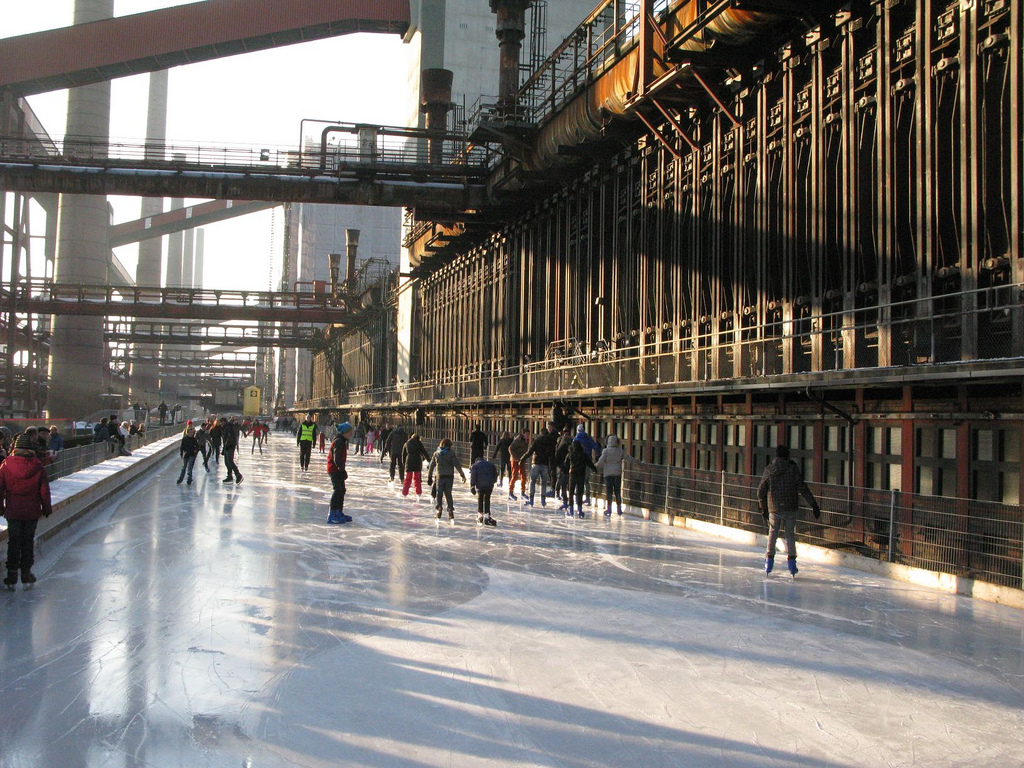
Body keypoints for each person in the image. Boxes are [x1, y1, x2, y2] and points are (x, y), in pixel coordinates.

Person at [757, 444, 821, 576]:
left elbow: (761, 491)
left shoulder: (769, 469)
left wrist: (763, 508)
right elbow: (803, 488)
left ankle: (769, 562)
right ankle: (792, 564)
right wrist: (813, 504)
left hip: (774, 508)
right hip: (790, 507)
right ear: (787, 455)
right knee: (790, 534)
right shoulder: (792, 468)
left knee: (773, 533)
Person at [1, 433, 53, 590]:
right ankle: (26, 573)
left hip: (13, 510)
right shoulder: (37, 466)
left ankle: (11, 574)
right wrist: (46, 508)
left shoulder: (6, 464)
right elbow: (44, 490)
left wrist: (1, 507)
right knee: (27, 541)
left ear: (15, 448)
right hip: (31, 510)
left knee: (14, 541)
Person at [594, 434, 640, 516]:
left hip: (608, 474)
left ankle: (609, 509)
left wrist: (594, 467)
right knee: (617, 491)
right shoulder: (620, 451)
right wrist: (637, 461)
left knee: (609, 492)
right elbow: (628, 458)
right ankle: (619, 509)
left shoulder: (605, 451)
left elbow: (601, 462)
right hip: (617, 474)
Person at [427, 438, 466, 522]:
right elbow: (457, 465)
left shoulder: (436, 453)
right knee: (448, 494)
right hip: (449, 476)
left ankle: (439, 509)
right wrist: (462, 475)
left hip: (439, 476)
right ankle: (450, 510)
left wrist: (429, 476)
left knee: (439, 493)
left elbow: (431, 466)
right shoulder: (451, 454)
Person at [522, 422, 558, 507]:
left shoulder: (537, 440)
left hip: (536, 463)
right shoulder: (550, 441)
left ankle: (531, 500)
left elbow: (530, 451)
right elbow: (551, 453)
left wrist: (522, 459)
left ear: (541, 433)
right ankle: (543, 500)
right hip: (545, 464)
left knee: (532, 482)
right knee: (544, 482)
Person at [326, 422, 353, 524]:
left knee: (342, 490)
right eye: (349, 432)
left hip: (337, 469)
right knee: (337, 490)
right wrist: (341, 470)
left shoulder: (342, 441)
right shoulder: (339, 442)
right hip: (334, 470)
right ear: (344, 432)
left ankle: (338, 512)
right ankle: (332, 513)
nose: (351, 433)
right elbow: (336, 458)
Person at [564, 440, 596, 518]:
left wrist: (564, 471)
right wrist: (594, 469)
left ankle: (571, 508)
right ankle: (579, 509)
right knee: (580, 492)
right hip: (581, 474)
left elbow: (565, 464)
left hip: (572, 474)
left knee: (571, 491)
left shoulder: (570, 454)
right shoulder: (584, 455)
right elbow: (589, 463)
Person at [572, 424, 600, 504]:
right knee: (586, 481)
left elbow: (572, 450)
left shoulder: (576, 439)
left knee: (577, 480)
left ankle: (577, 497)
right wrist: (598, 455)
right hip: (587, 460)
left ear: (577, 430)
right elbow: (596, 447)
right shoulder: (589, 438)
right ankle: (587, 497)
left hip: (577, 462)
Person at [470, 454, 498, 526]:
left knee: (480, 499)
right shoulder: (491, 464)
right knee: (487, 499)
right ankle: (487, 516)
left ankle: (480, 515)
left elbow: (473, 476)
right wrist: (493, 482)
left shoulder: (475, 465)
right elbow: (495, 474)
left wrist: (472, 486)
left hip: (480, 485)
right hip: (489, 485)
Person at [401, 432, 431, 498]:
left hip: (409, 461)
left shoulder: (407, 443)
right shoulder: (419, 443)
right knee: (417, 478)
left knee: (408, 478)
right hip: (417, 461)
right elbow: (424, 452)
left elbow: (403, 454)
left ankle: (404, 492)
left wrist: (404, 463)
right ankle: (418, 492)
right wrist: (429, 460)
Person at [507, 429, 531, 501]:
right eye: (526, 434)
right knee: (514, 476)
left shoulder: (526, 440)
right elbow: (510, 448)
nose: (527, 436)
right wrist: (515, 457)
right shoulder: (518, 440)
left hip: (521, 460)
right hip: (515, 460)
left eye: (528, 435)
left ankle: (523, 492)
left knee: (523, 476)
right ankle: (510, 492)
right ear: (523, 434)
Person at [221, 418, 243, 484]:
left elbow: (230, 438)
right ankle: (229, 476)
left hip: (230, 446)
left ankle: (238, 475)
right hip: (227, 446)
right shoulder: (226, 427)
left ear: (225, 422)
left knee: (230, 461)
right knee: (227, 462)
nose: (221, 424)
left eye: (222, 422)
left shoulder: (229, 427)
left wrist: (227, 445)